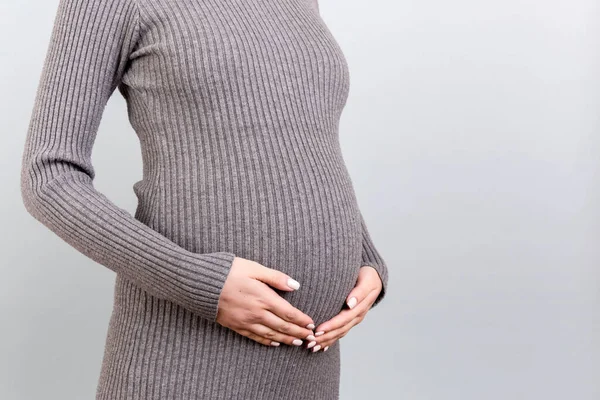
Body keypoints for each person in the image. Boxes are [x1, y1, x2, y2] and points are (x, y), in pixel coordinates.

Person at [20, 0, 389, 398]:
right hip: (186, 359)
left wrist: (365, 256)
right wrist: (200, 283)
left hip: (309, 361)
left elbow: (306, 139)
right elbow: (49, 176)